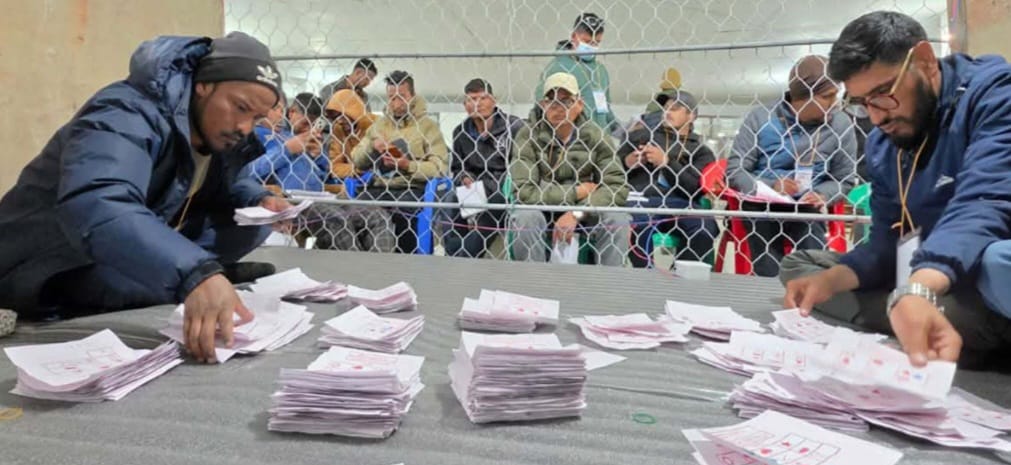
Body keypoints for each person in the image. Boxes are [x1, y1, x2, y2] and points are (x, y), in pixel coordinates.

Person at [0, 32, 292, 363]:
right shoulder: (125, 111)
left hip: (102, 257)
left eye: (256, 118)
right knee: (147, 274)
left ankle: (209, 274)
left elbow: (231, 181)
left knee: (250, 223)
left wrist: (260, 198)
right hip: (38, 267)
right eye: (240, 107)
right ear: (204, 85)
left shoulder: (215, 130)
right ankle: (205, 276)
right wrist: (194, 274)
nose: (244, 127)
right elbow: (97, 202)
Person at [781, 11, 1011, 369]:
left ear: (925, 61)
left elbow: (984, 204)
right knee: (801, 269)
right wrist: (832, 282)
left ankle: (921, 316)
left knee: (997, 261)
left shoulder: (994, 97)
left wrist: (919, 288)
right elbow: (888, 240)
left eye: (883, 94)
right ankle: (926, 321)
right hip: (923, 271)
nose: (876, 117)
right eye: (861, 103)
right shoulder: (885, 141)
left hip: (974, 268)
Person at [726, 55, 857, 277]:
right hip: (763, 203)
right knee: (762, 233)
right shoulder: (761, 117)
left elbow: (844, 179)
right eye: (827, 96)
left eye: (836, 95)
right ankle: (770, 286)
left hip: (806, 204)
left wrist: (822, 194)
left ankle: (813, 285)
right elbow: (735, 170)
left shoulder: (840, 123)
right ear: (804, 97)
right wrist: (772, 186)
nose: (835, 103)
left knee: (811, 240)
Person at [509, 72, 630, 266]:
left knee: (617, 219)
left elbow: (616, 187)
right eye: (551, 101)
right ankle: (532, 280)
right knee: (525, 218)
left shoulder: (596, 135)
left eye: (566, 101)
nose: (558, 107)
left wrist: (576, 213)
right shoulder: (528, 135)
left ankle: (609, 282)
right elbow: (525, 192)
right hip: (542, 209)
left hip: (584, 210)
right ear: (543, 105)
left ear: (579, 104)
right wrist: (578, 191)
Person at [351, 70, 449, 253]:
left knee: (402, 213)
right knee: (354, 212)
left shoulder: (428, 127)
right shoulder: (378, 125)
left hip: (411, 189)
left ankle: (402, 263)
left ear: (413, 96)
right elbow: (356, 159)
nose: (396, 103)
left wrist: (407, 165)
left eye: (401, 97)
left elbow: (439, 168)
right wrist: (372, 146)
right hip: (379, 187)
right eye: (391, 97)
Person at [618, 89, 718, 267]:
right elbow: (612, 169)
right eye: (666, 108)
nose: (668, 112)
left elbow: (695, 188)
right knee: (638, 227)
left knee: (703, 229)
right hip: (643, 201)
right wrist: (629, 162)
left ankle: (682, 275)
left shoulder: (701, 151)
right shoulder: (641, 137)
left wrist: (666, 163)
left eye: (675, 108)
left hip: (682, 204)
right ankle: (645, 277)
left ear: (691, 116)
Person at [300, 89, 395, 253]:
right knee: (340, 220)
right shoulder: (338, 130)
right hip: (344, 190)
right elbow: (335, 167)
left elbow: (390, 159)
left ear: (353, 109)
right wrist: (358, 168)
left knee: (379, 217)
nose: (339, 121)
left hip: (378, 183)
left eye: (341, 115)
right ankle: (355, 266)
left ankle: (377, 266)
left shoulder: (377, 125)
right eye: (335, 117)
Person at [442, 78, 524, 258]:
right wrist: (465, 177)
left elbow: (521, 165)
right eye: (472, 99)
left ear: (493, 101)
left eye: (483, 98)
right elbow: (458, 167)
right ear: (465, 105)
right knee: (449, 199)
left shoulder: (514, 127)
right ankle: (452, 252)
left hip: (504, 189)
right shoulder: (460, 132)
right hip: (475, 189)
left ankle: (464, 256)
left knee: (496, 202)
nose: (477, 104)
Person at [535, 12, 617, 133]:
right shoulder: (557, 67)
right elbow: (541, 108)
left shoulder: (600, 70)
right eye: (587, 42)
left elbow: (605, 109)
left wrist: (620, 129)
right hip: (574, 138)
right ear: (574, 37)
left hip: (601, 139)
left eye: (596, 43)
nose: (592, 47)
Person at [250, 93, 328, 192]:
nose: (281, 115)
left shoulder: (289, 135)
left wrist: (318, 157)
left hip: (314, 196)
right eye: (275, 109)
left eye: (282, 110)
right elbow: (249, 172)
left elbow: (324, 175)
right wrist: (287, 149)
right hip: (284, 197)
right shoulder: (252, 135)